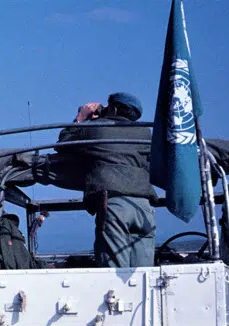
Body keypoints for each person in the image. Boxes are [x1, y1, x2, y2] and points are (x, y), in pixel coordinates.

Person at [56, 92, 157, 267]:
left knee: (115, 276)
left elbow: (63, 144)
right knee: (144, 275)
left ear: (115, 108)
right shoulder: (145, 133)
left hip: (115, 206)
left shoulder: (95, 128)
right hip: (144, 209)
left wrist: (81, 118)